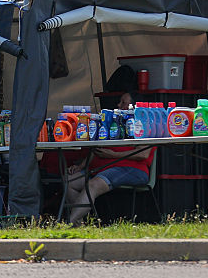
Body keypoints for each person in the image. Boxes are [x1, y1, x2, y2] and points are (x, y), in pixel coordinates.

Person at [64, 92, 155, 225]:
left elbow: (143, 154)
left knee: (92, 185)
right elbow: (98, 148)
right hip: (101, 167)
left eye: (123, 102)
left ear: (134, 107)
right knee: (69, 182)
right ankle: (80, 224)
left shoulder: (146, 124)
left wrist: (112, 155)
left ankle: (69, 224)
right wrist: (81, 166)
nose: (118, 105)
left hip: (131, 168)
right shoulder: (114, 121)